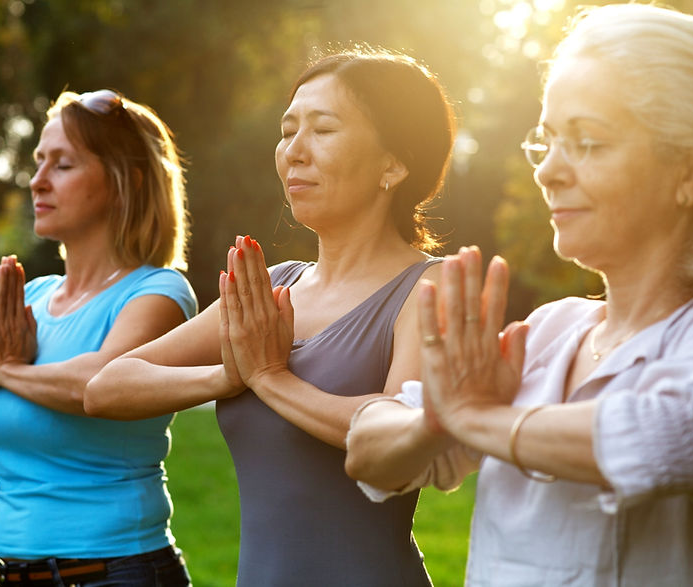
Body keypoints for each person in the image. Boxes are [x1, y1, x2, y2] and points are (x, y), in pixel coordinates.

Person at [345, 4, 693, 585]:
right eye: (548, 140)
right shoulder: (552, 330)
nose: (548, 172)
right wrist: (436, 421)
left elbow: (674, 435)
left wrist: (474, 419)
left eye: (587, 142)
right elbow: (366, 449)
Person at [87, 49, 456, 585]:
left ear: (393, 164)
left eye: (323, 129)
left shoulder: (429, 287)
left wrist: (269, 378)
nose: (293, 153)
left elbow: (401, 432)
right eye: (288, 131)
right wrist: (227, 375)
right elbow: (106, 386)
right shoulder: (272, 286)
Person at [0, 89, 197, 585]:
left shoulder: (157, 292)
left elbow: (99, 385)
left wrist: (6, 371)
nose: (37, 181)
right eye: (38, 162)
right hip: (4, 574)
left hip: (115, 573)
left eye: (62, 165)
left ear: (123, 181)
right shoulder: (32, 299)